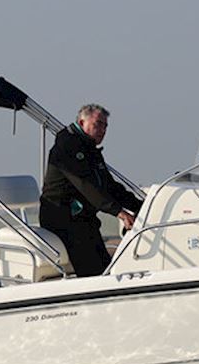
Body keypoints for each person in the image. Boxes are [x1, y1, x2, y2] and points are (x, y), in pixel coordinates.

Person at [39, 103, 144, 277]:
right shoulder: (68, 147)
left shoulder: (89, 149)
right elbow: (87, 186)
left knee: (105, 267)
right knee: (95, 270)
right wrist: (119, 213)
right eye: (98, 124)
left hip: (83, 219)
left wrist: (142, 205)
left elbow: (109, 186)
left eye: (105, 126)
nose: (102, 130)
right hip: (63, 218)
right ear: (82, 123)